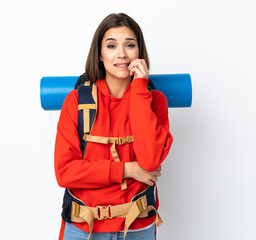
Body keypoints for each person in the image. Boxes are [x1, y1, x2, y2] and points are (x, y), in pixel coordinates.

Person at [54, 13, 173, 240]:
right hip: (83, 229)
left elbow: (149, 161)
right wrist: (128, 170)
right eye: (111, 45)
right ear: (99, 54)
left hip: (137, 227)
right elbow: (64, 172)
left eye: (130, 45)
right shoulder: (76, 102)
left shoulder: (155, 101)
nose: (122, 53)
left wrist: (139, 89)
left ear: (139, 52)